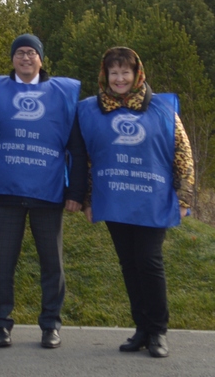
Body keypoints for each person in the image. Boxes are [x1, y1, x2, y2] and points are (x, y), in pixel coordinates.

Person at [78, 47, 194, 359]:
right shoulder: (92, 110)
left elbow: (182, 153)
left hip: (152, 201)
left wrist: (184, 197)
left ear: (136, 74)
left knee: (149, 261)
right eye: (113, 73)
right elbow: (86, 159)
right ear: (105, 75)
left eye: (124, 72)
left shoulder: (161, 109)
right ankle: (141, 329)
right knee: (129, 264)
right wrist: (88, 200)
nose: (119, 79)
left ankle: (158, 331)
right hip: (115, 200)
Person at [0, 34, 87, 350]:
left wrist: (76, 191)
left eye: (31, 53)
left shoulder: (62, 94)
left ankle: (51, 325)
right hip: (6, 195)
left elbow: (75, 147)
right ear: (12, 58)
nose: (25, 58)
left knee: (53, 264)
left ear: (41, 58)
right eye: (19, 52)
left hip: (48, 194)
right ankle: (1, 325)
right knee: (1, 262)